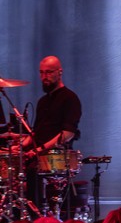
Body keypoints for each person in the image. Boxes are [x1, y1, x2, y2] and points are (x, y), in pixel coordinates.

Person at [16, 56, 82, 209]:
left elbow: (68, 133)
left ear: (60, 72)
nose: (44, 77)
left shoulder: (70, 98)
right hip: (37, 155)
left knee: (33, 171)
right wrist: (19, 148)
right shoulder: (42, 102)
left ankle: (38, 215)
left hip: (55, 157)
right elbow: (36, 133)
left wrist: (38, 150)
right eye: (41, 73)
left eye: (48, 72)